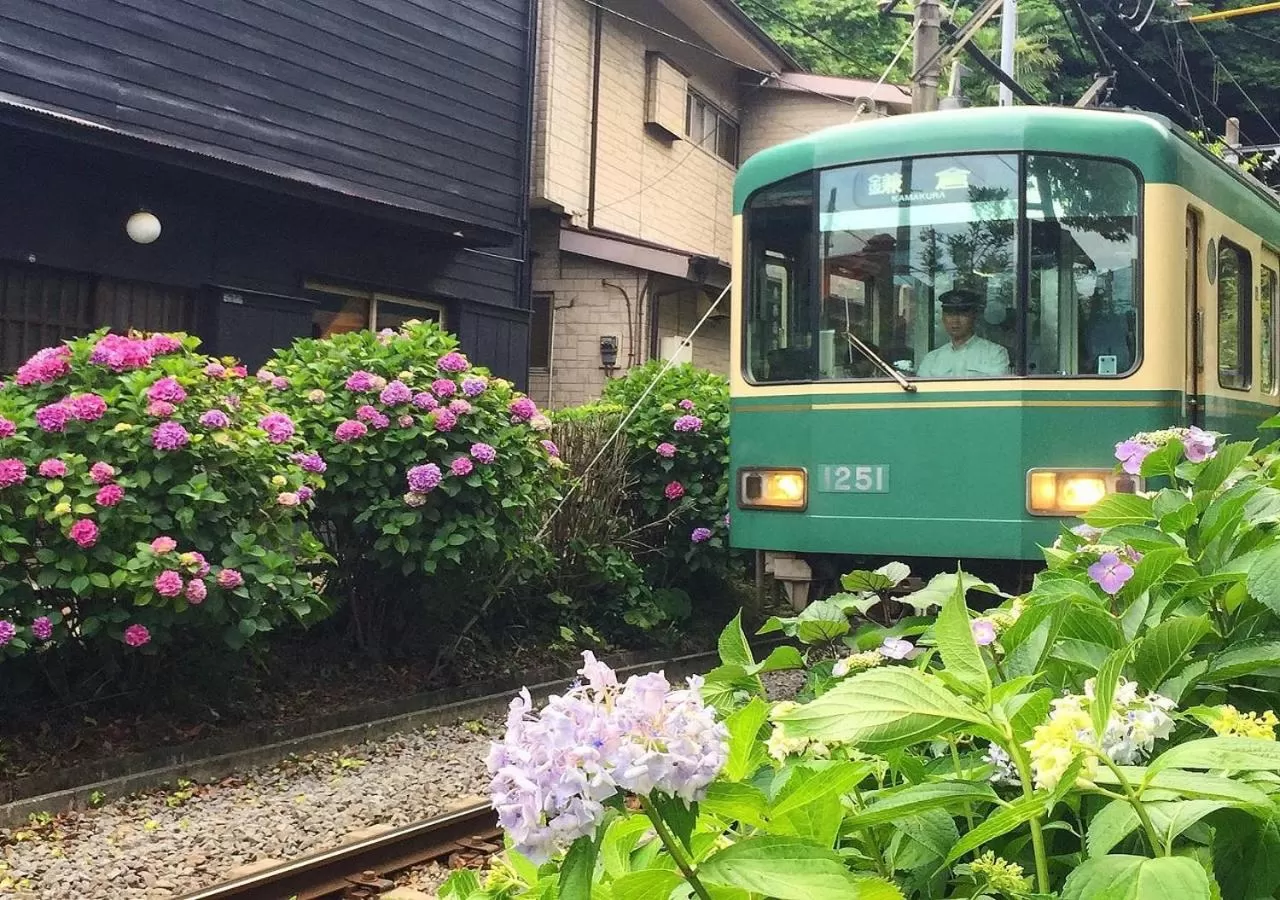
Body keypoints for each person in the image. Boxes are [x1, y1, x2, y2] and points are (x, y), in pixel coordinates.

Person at [916, 289, 1011, 378]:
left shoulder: (995, 354)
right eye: (950, 314)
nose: (955, 321)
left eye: (962, 314)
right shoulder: (932, 359)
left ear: (974, 317)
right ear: (943, 318)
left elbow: (996, 392)